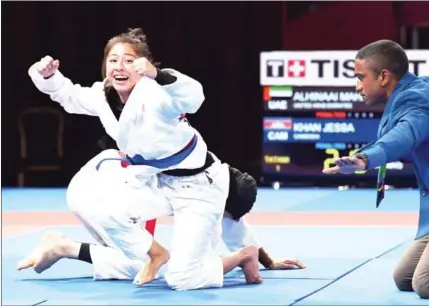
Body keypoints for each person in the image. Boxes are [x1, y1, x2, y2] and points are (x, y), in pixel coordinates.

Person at [24, 27, 262, 290]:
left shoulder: (158, 94)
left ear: (143, 65)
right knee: (103, 208)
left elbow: (194, 97)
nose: (119, 66)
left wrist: (157, 75)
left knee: (183, 279)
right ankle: (155, 254)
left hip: (197, 188)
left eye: (128, 60)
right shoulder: (103, 95)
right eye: (113, 60)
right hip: (156, 183)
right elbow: (69, 95)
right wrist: (49, 76)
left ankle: (241, 257)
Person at [323, 39, 429, 299]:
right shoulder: (423, 88)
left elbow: (403, 135)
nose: (357, 85)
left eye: (361, 77)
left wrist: (363, 160)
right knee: (404, 277)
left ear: (384, 77)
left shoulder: (418, 98)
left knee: (427, 283)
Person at [17, 164, 305, 281]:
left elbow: (236, 226)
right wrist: (153, 256)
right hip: (97, 192)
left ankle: (62, 245)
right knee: (146, 264)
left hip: (102, 181)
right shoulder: (195, 188)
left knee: (145, 257)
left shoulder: (215, 175)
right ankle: (61, 247)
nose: (225, 219)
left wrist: (269, 260)